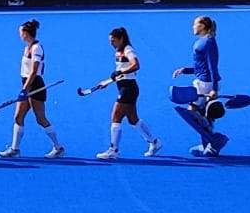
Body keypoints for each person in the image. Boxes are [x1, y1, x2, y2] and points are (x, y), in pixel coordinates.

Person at [0, 19, 63, 159]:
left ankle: (58, 147)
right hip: (26, 84)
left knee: (40, 118)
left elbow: (34, 71)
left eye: (20, 32)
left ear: (26, 33)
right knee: (18, 116)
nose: (19, 34)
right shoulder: (27, 47)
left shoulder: (36, 48)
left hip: (35, 85)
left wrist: (25, 90)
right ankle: (15, 149)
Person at [93, 27, 161, 159]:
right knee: (132, 119)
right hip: (124, 87)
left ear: (121, 39)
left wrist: (121, 72)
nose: (111, 43)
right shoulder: (118, 52)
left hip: (128, 89)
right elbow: (120, 73)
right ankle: (155, 142)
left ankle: (113, 150)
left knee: (115, 117)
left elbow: (136, 65)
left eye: (113, 41)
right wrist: (106, 82)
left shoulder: (128, 50)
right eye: (110, 41)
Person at [172, 14, 228, 157]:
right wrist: (186, 70)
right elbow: (200, 66)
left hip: (206, 83)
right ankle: (209, 145)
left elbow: (212, 67)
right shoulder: (203, 41)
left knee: (193, 113)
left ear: (202, 26)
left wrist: (214, 88)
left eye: (195, 24)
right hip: (202, 80)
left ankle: (215, 141)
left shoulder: (209, 42)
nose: (193, 27)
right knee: (203, 116)